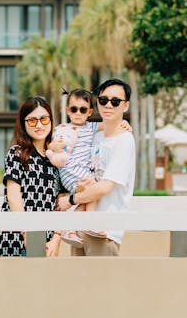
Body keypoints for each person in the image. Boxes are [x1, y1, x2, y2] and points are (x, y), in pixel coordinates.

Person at [56, 78, 136, 256]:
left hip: (105, 232)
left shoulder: (124, 141)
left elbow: (105, 187)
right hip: (81, 230)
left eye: (115, 101)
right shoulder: (96, 136)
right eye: (103, 100)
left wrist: (70, 200)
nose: (108, 105)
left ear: (126, 106)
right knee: (79, 284)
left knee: (102, 283)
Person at [0, 96, 62, 257]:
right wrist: (28, 235)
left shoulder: (57, 159)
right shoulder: (17, 153)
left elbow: (60, 204)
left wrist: (57, 238)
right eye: (32, 120)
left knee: (44, 282)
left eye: (44, 119)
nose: (39, 125)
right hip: (16, 236)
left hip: (48, 240)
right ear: (23, 124)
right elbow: (13, 197)